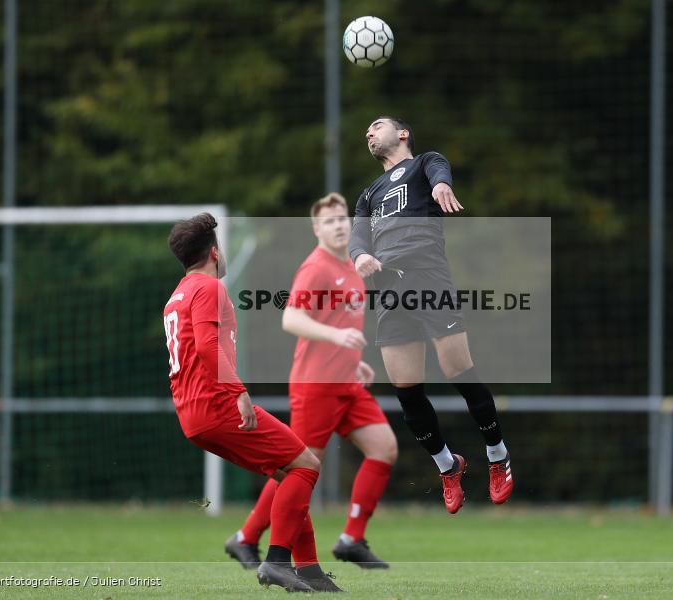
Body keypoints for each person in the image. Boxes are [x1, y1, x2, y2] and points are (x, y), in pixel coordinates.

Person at [163, 213, 341, 592]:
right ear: (214, 251)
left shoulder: (177, 294)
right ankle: (277, 563)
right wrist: (238, 392)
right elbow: (208, 347)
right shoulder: (208, 288)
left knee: (287, 472)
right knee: (306, 466)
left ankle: (308, 570)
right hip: (217, 404)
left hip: (192, 414)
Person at [347, 116, 513, 514]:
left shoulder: (424, 164)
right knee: (407, 393)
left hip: (427, 278)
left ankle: (497, 454)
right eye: (365, 130)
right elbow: (357, 236)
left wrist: (441, 184)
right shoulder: (369, 193)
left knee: (458, 371)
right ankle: (447, 465)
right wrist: (361, 255)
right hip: (389, 289)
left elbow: (440, 170)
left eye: (377, 126)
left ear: (402, 134)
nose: (368, 132)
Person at [225, 193, 397, 570]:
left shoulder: (353, 266)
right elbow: (292, 319)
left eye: (343, 218)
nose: (339, 225)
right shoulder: (315, 268)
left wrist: (356, 363)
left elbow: (342, 324)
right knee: (298, 468)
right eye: (330, 221)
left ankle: (351, 538)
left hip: (347, 383)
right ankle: (246, 537)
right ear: (316, 228)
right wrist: (338, 341)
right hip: (315, 386)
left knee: (384, 448)